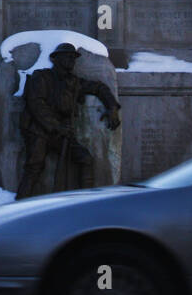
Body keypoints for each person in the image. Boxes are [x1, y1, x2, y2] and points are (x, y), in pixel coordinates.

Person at [17, 43, 120, 198]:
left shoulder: (74, 82)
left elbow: (99, 88)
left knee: (85, 158)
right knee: (34, 166)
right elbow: (36, 105)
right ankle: (20, 202)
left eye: (73, 58)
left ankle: (85, 200)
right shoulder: (41, 77)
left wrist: (112, 108)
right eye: (68, 57)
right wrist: (57, 126)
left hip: (62, 133)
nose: (72, 60)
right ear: (57, 59)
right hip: (39, 130)